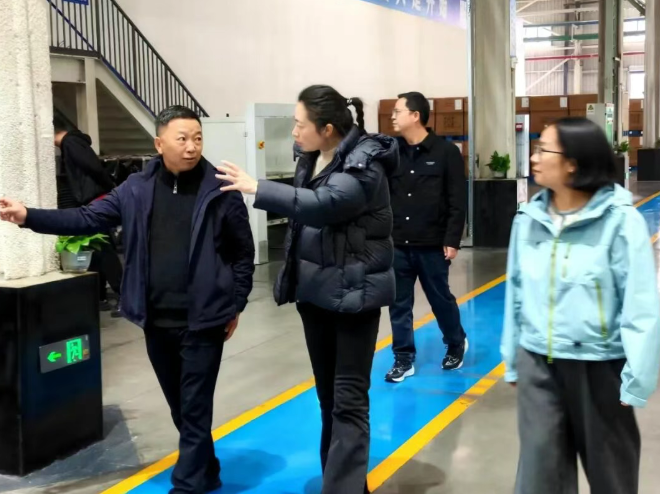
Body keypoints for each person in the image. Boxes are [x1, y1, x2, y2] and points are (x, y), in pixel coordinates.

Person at [1, 106, 255, 494]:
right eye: (182, 139)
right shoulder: (135, 188)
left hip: (203, 319)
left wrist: (235, 302)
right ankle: (206, 470)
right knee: (181, 407)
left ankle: (187, 485)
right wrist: (27, 216)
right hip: (156, 320)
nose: (191, 147)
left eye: (197, 138)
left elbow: (242, 251)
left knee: (195, 406)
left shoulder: (220, 188)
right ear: (159, 143)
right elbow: (86, 218)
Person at [216, 85, 398, 494]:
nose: (294, 132)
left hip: (354, 297)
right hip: (316, 295)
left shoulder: (365, 164)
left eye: (300, 125)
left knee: (349, 400)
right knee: (328, 398)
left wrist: (257, 187)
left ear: (327, 129)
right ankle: (346, 484)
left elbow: (324, 205)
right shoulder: (311, 157)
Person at [501, 117, 660, 494]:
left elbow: (640, 302)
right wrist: (513, 357)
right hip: (539, 363)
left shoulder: (620, 220)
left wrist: (637, 379)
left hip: (600, 366)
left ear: (573, 162)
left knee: (612, 478)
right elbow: (516, 292)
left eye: (543, 150)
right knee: (540, 480)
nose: (534, 158)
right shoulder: (528, 218)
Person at [385, 92, 467, 383]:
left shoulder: (446, 153)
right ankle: (403, 358)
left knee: (440, 299)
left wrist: (452, 240)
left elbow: (457, 200)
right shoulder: (391, 152)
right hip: (398, 244)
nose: (393, 116)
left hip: (432, 244)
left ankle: (455, 342)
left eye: (398, 111)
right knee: (399, 304)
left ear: (415, 115)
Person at [54, 119, 124, 317]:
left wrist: (110, 188)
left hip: (93, 201)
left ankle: (124, 295)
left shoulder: (70, 143)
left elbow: (93, 167)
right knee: (95, 248)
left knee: (103, 248)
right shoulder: (72, 143)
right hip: (92, 200)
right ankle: (99, 296)